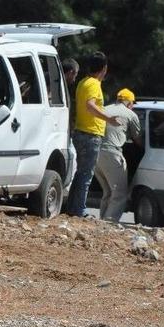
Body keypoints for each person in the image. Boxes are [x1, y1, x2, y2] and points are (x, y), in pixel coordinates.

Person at [65, 52, 120, 217]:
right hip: (90, 134)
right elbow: (90, 105)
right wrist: (108, 118)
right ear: (104, 69)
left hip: (80, 132)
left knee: (80, 173)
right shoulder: (94, 84)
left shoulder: (82, 82)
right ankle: (79, 210)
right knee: (86, 175)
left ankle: (73, 208)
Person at [94, 88, 141, 222]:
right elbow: (138, 139)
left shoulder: (104, 109)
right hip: (112, 154)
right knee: (119, 194)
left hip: (96, 154)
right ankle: (109, 223)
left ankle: (102, 221)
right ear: (130, 103)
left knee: (108, 191)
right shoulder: (130, 114)